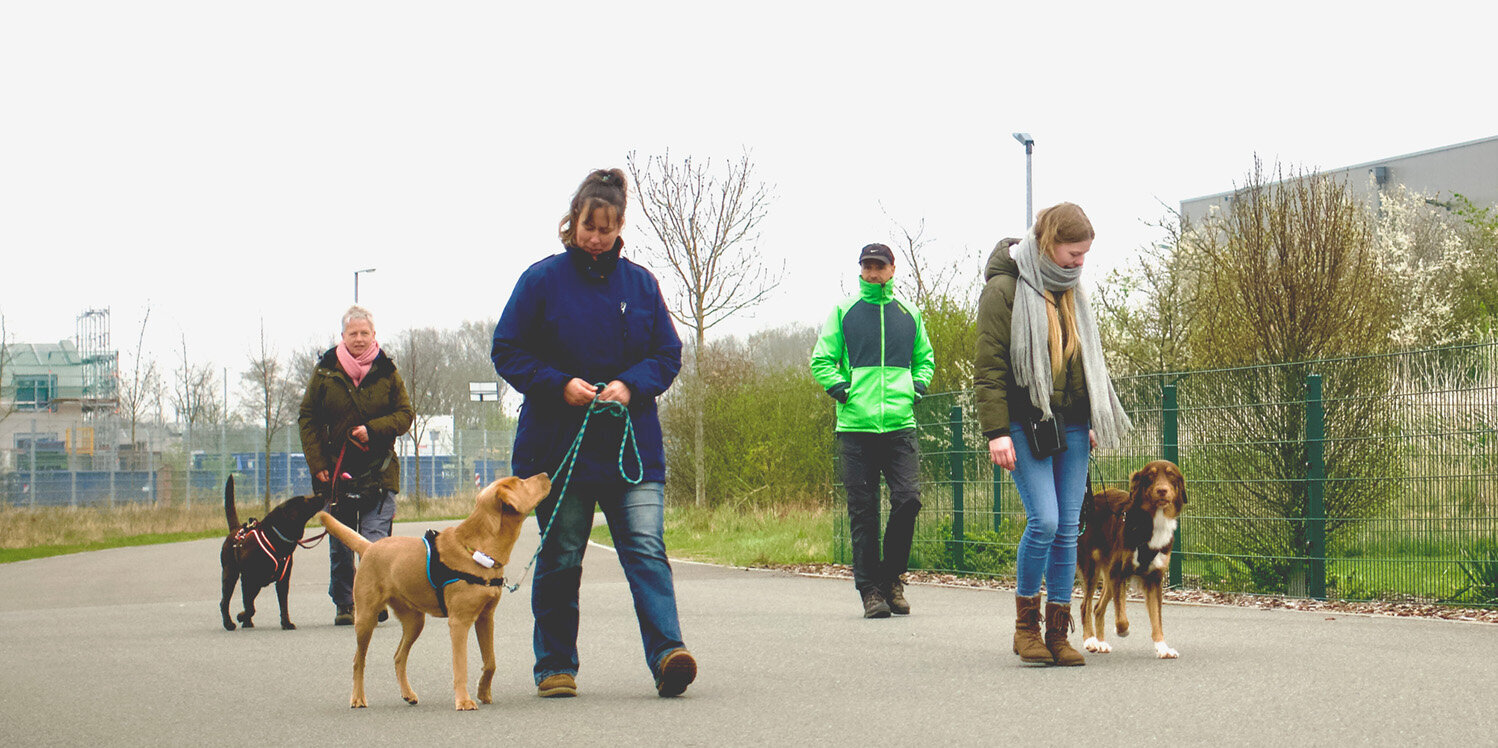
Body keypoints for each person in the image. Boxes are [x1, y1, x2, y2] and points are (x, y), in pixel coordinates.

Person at [491, 168, 696, 699]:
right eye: (589, 227)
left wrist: (631, 384)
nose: (597, 238)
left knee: (646, 551)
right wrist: (558, 384)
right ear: (573, 221)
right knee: (561, 558)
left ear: (620, 226)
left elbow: (667, 354)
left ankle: (669, 654)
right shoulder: (541, 280)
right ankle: (555, 666)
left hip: (632, 449)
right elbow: (507, 350)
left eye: (607, 229)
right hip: (559, 450)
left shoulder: (642, 284)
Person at [973, 203, 1132, 666]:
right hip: (1023, 422)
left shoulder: (1071, 288)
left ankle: (1058, 633)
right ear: (1048, 244)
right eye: (1073, 253)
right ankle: (1026, 629)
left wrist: (1092, 417)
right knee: (1044, 520)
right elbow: (989, 368)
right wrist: (996, 431)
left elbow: (1082, 362)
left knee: (1067, 527)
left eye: (1085, 254)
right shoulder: (1004, 289)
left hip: (1073, 425)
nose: (1080, 262)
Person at [810, 242, 935, 618]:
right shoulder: (844, 312)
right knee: (863, 513)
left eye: (879, 266)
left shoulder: (909, 314)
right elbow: (821, 360)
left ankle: (890, 577)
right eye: (867, 266)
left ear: (892, 269)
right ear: (861, 270)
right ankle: (870, 592)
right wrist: (842, 390)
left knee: (908, 500)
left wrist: (915, 388)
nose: (873, 272)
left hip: (899, 425)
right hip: (856, 427)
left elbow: (925, 359)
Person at [298, 304, 414, 626]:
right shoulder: (325, 372)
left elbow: (405, 415)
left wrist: (372, 430)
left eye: (365, 333)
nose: (359, 339)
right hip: (336, 474)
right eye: (353, 333)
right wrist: (317, 463)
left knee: (374, 543)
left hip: (379, 472)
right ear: (343, 336)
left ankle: (374, 598)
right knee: (341, 544)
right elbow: (307, 417)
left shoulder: (387, 371)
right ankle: (345, 603)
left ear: (374, 334)